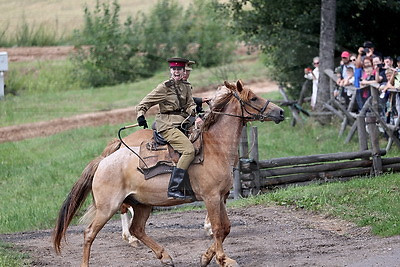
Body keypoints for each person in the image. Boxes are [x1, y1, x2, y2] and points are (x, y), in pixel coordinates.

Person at [136, 57, 200, 200]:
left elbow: (189, 104)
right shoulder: (164, 87)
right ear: (170, 71)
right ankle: (174, 188)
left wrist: (195, 113)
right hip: (167, 125)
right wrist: (141, 115)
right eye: (174, 69)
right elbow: (144, 103)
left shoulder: (186, 86)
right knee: (189, 151)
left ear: (184, 71)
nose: (176, 72)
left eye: (179, 69)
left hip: (183, 122)